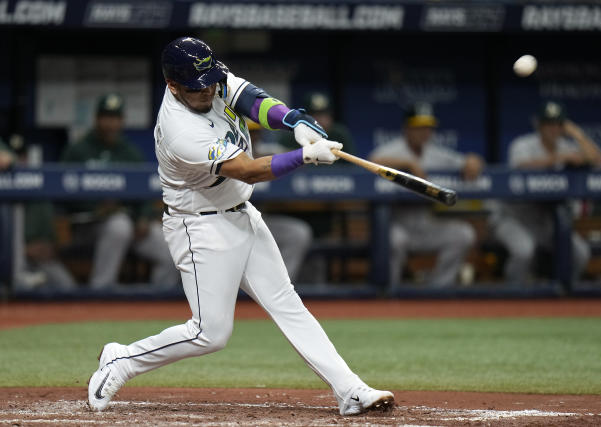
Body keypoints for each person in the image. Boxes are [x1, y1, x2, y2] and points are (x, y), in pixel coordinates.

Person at [87, 36, 394, 416]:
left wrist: (292, 119)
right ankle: (123, 360)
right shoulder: (180, 130)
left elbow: (249, 98)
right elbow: (245, 169)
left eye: (211, 82)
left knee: (287, 303)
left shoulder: (208, 76)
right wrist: (304, 156)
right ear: (173, 86)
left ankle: (350, 390)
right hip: (199, 227)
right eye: (198, 88)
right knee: (210, 334)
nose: (209, 90)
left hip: (240, 212)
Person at [61, 93, 179, 289]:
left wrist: (143, 216)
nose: (111, 124)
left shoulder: (129, 152)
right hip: (89, 225)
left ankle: (155, 303)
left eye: (116, 118)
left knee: (172, 247)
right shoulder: (78, 151)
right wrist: (95, 207)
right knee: (119, 226)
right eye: (107, 118)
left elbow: (144, 192)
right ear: (97, 119)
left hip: (131, 224)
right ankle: (100, 291)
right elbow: (62, 191)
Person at [369, 104, 483, 288]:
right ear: (407, 128)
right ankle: (389, 293)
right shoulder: (392, 150)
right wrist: (407, 163)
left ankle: (438, 289)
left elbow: (468, 162)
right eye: (418, 127)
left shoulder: (435, 153)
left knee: (463, 234)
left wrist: (474, 161)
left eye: (428, 127)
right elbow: (372, 161)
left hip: (427, 224)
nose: (424, 132)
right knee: (393, 240)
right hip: (398, 225)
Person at [493, 101, 601, 284]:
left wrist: (577, 135)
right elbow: (520, 167)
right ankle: (513, 296)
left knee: (580, 252)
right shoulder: (522, 144)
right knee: (524, 250)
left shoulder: (566, 145)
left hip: (545, 220)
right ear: (539, 125)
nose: (553, 129)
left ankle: (565, 299)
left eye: (557, 124)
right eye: (548, 124)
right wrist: (559, 158)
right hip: (514, 217)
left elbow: (600, 163)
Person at [0, 136, 76, 290]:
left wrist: (51, 248)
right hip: (14, 261)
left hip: (42, 262)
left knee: (67, 286)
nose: (22, 161)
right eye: (19, 157)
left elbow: (53, 243)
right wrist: (24, 250)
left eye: (24, 157)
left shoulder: (40, 189)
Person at [246, 120, 313, 282]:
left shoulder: (267, 152)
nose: (251, 136)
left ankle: (279, 290)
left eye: (255, 132)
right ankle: (175, 296)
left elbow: (300, 161)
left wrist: (267, 163)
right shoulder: (219, 151)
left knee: (297, 233)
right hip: (221, 222)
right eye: (248, 131)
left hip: (254, 222)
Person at [279, 91, 357, 155]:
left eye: (324, 114)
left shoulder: (339, 134)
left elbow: (352, 168)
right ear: (304, 117)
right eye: (315, 115)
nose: (321, 120)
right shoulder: (293, 135)